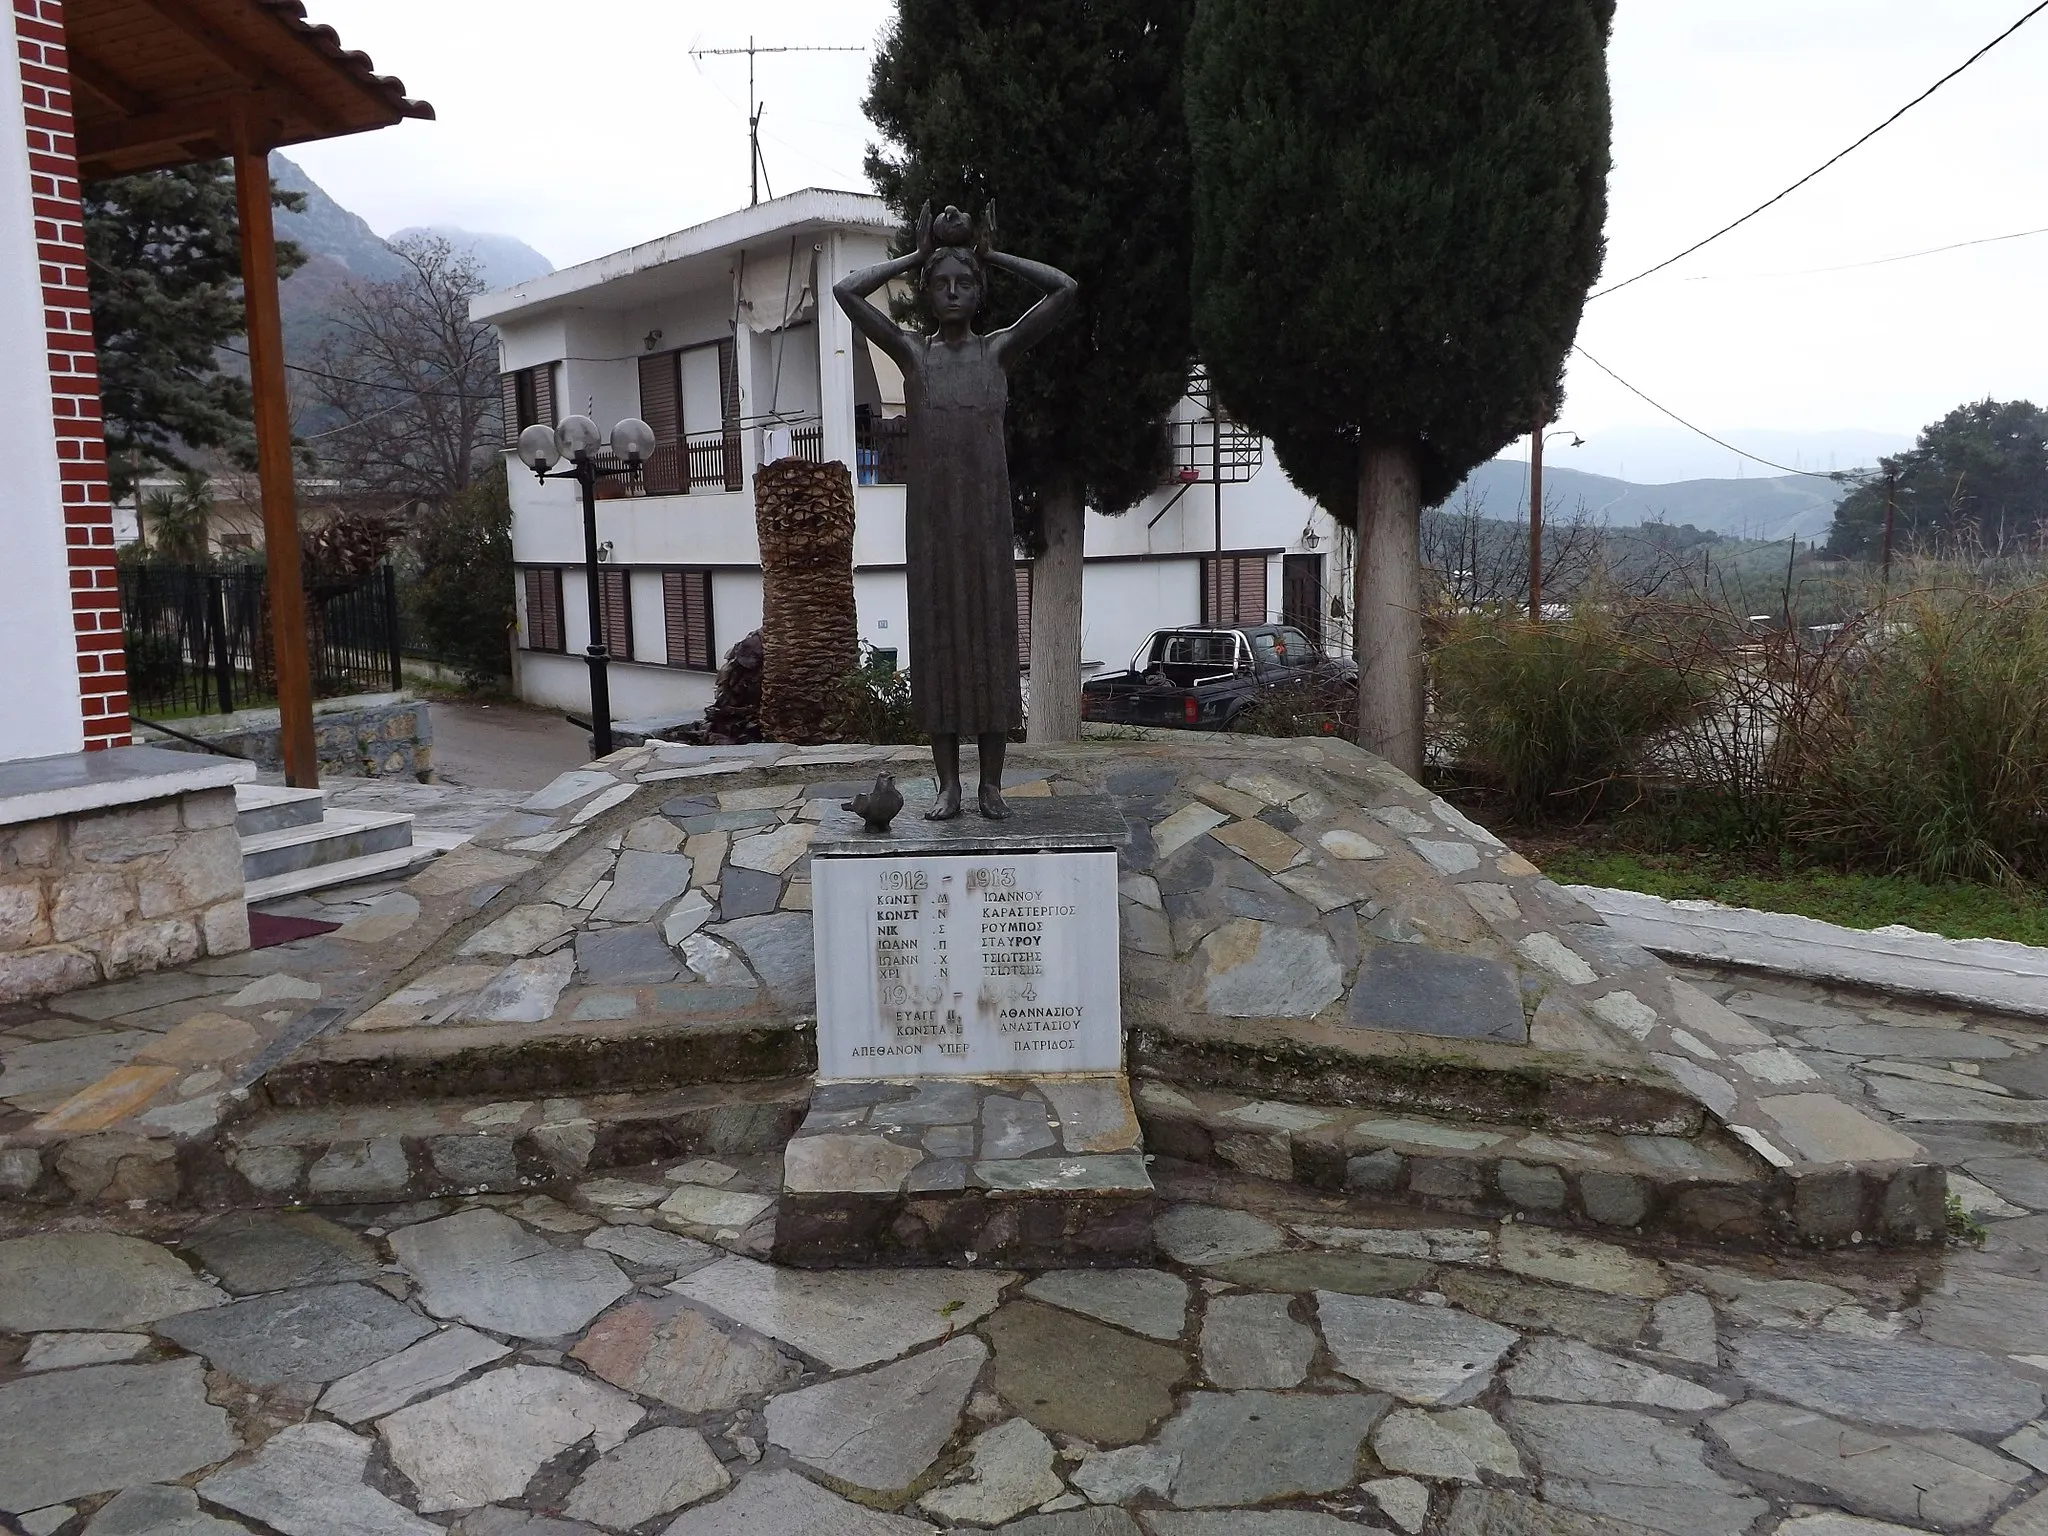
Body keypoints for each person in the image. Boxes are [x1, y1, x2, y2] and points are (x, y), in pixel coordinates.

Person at [834, 203, 1077, 819]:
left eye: (964, 282)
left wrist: (992, 254)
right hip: (934, 524)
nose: (951, 292)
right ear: (926, 291)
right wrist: (916, 254)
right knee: (939, 643)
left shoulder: (996, 354)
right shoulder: (915, 355)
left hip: (988, 518)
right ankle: (947, 784)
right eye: (940, 283)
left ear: (979, 292)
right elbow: (845, 290)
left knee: (993, 642)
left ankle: (990, 782)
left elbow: (1064, 289)